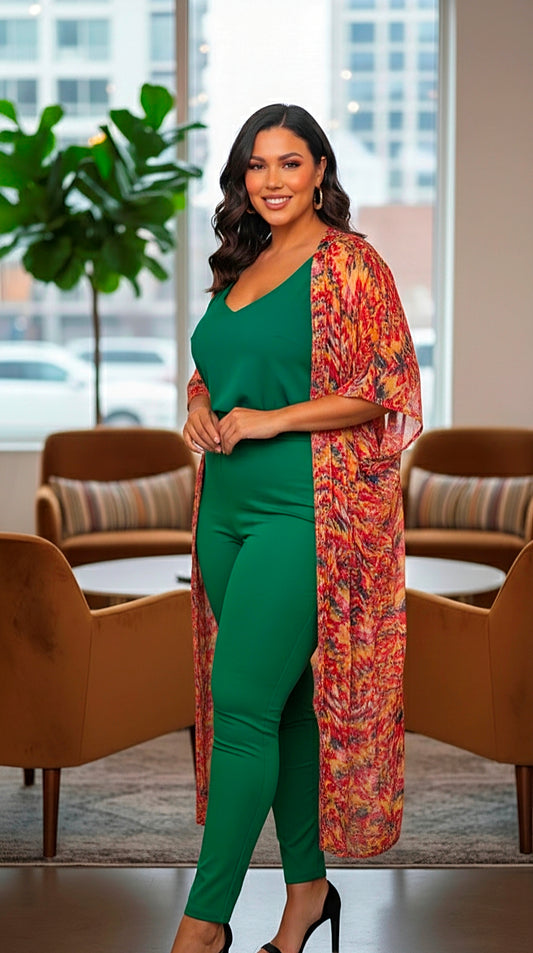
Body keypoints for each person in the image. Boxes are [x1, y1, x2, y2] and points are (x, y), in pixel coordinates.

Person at [172, 103, 422, 953]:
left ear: (320, 169)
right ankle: (306, 889)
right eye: (256, 165)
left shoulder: (348, 262)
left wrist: (270, 419)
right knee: (278, 707)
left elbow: (383, 386)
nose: (271, 180)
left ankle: (203, 926)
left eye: (289, 162)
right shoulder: (239, 263)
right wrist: (200, 408)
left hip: (306, 509)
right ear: (241, 178)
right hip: (224, 508)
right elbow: (213, 370)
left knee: (238, 703)